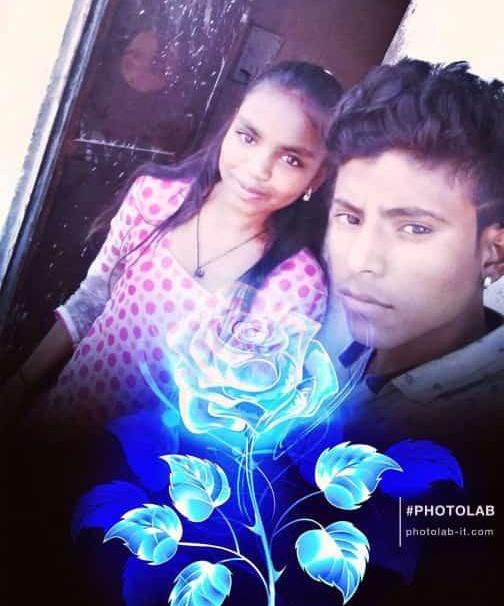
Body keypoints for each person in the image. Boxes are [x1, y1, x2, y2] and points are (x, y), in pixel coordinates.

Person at [2, 61, 343, 435]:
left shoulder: (296, 284)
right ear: (230, 126)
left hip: (139, 468)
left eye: (291, 159)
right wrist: (20, 384)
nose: (258, 168)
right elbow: (91, 302)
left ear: (317, 176)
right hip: (58, 419)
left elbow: (240, 421)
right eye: (248, 137)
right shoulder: (155, 199)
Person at [315, 58, 504, 605]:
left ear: (494, 252)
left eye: (415, 228)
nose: (361, 261)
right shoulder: (332, 349)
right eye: (350, 218)